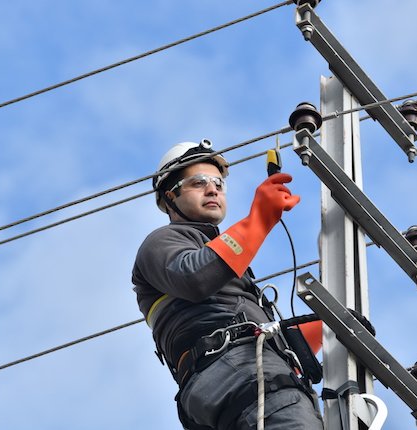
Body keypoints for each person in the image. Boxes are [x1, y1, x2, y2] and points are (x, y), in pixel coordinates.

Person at [133, 139, 324, 430]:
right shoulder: (162, 242)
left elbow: (273, 341)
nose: (213, 189)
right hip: (234, 372)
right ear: (170, 196)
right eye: (198, 182)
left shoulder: (228, 264)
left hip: (244, 377)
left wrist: (331, 326)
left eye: (219, 183)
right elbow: (194, 278)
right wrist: (258, 219)